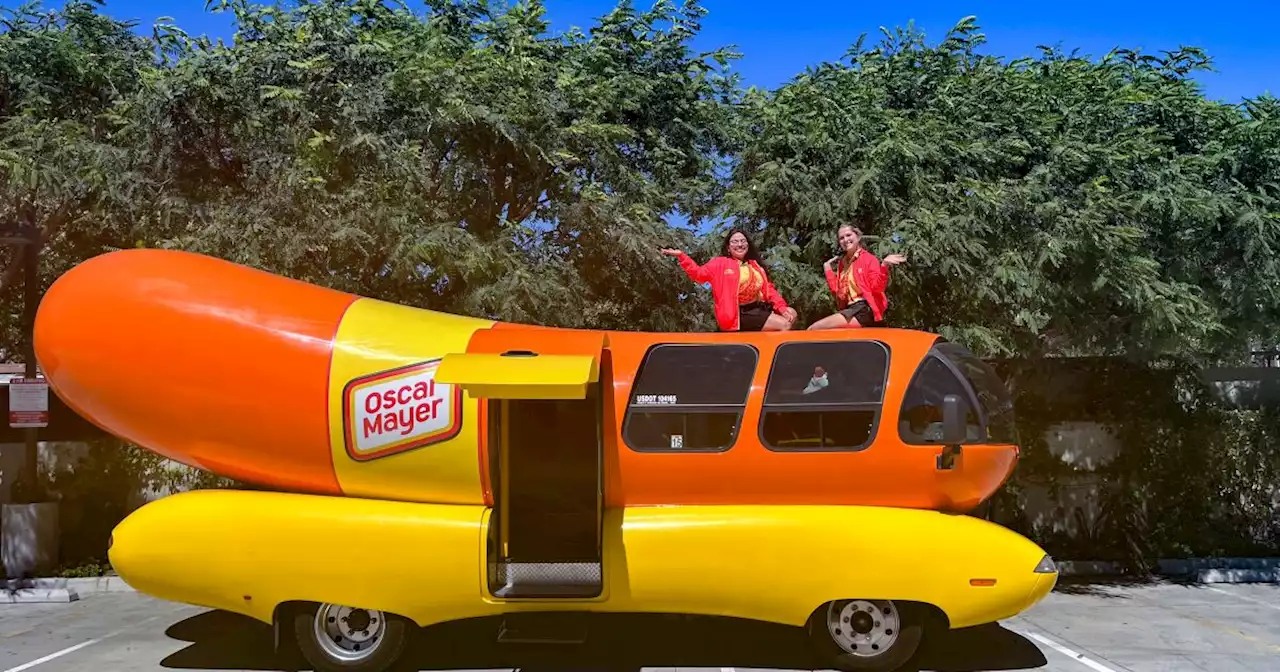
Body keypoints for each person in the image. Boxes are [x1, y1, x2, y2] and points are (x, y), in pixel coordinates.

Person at [661, 229, 797, 332]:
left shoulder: (755, 266)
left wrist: (782, 308)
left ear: (748, 244)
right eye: (735, 242)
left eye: (743, 241)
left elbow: (769, 290)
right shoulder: (719, 263)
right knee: (784, 324)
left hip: (757, 308)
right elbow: (699, 274)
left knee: (791, 313)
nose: (739, 244)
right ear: (728, 247)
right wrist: (682, 256)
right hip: (738, 313)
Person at [808, 225, 906, 330]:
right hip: (850, 308)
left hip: (864, 309)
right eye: (841, 238)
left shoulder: (868, 259)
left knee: (815, 328)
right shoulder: (843, 264)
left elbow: (877, 288)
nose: (845, 239)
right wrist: (828, 270)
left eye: (848, 235)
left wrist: (884, 266)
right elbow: (837, 292)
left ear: (858, 237)